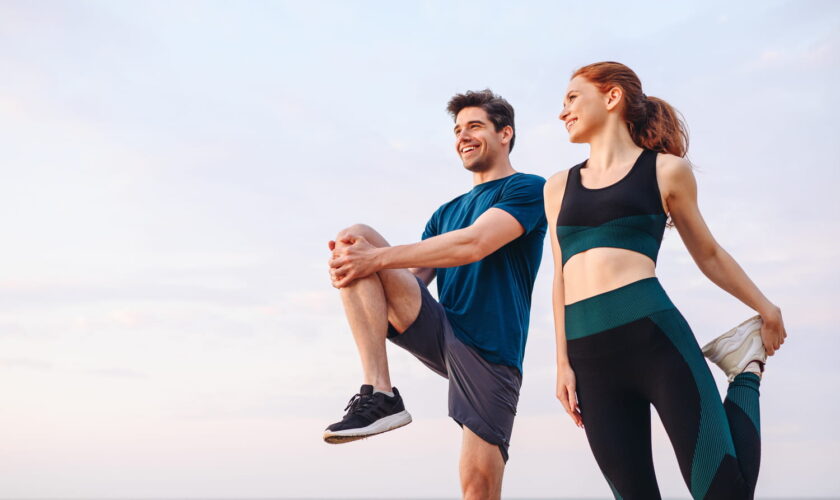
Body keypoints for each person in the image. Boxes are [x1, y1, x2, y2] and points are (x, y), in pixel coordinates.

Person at [544, 62, 787, 499]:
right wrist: (561, 362)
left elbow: (708, 253)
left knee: (724, 493)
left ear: (612, 97)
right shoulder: (557, 186)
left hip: (654, 340)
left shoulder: (666, 170)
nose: (563, 112)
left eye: (572, 98)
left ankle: (746, 370)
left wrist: (765, 307)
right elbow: (559, 276)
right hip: (589, 356)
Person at [324, 89, 546, 500]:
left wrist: (374, 259)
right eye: (458, 130)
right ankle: (381, 392)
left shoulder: (528, 189)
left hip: (490, 349)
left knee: (477, 487)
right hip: (441, 330)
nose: (463, 136)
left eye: (475, 126)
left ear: (505, 134)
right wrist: (357, 269)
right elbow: (413, 278)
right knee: (353, 240)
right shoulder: (444, 213)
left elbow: (473, 244)